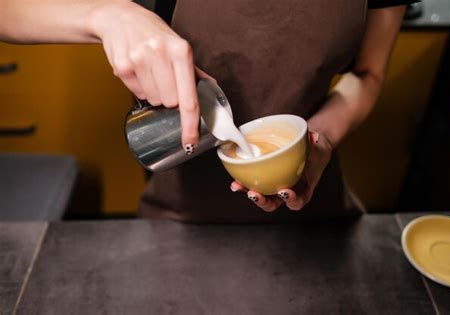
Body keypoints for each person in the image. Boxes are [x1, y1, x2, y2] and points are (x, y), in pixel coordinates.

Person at [0, 0, 418, 222]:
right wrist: (106, 13)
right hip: (182, 212)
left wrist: (320, 137)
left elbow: (368, 74)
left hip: (315, 204)